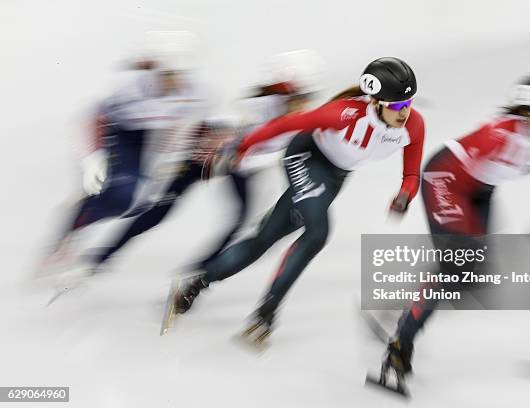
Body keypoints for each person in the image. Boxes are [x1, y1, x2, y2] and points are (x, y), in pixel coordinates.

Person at [164, 57, 426, 346]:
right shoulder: (344, 114)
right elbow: (288, 124)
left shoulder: (413, 125)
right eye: (397, 106)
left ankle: (194, 285)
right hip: (305, 158)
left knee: (264, 239)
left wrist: (405, 195)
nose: (405, 112)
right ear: (375, 102)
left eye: (408, 103)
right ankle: (265, 316)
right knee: (318, 232)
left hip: (334, 178)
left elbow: (411, 172)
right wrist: (242, 145)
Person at [373, 72, 530, 394]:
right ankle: (400, 345)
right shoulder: (498, 136)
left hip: (479, 190)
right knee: (456, 264)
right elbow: (446, 162)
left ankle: (405, 306)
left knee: (473, 273)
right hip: (444, 179)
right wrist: (407, 192)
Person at [78, 50, 327, 276]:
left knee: (240, 219)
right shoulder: (253, 109)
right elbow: (220, 139)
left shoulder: (301, 117)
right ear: (282, 91)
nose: (304, 104)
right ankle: (103, 255)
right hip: (209, 155)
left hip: (240, 162)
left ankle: (197, 273)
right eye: (299, 96)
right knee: (159, 211)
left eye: (308, 97)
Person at [38, 31, 208, 276]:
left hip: (147, 136)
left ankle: (83, 212)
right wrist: (92, 157)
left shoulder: (194, 92)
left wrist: (166, 158)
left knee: (138, 205)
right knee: (123, 196)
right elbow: (93, 119)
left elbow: (179, 126)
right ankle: (67, 235)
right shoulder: (128, 88)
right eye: (169, 75)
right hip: (119, 131)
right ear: (155, 71)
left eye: (182, 75)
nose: (176, 82)